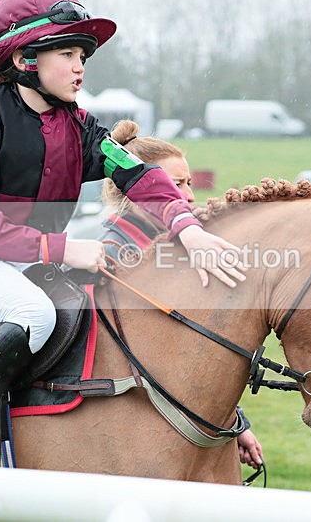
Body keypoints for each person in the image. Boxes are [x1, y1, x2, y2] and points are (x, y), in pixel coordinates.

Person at [0, 0, 244, 464]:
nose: (79, 65)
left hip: (23, 255)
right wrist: (61, 248)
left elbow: (140, 173)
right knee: (35, 316)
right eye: (66, 53)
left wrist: (188, 228)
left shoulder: (82, 127)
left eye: (82, 54)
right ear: (26, 58)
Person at [99, 120, 264, 470]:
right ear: (137, 190)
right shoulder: (113, 255)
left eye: (188, 184)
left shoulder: (170, 253)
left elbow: (186, 356)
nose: (188, 196)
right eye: (174, 185)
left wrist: (236, 424)